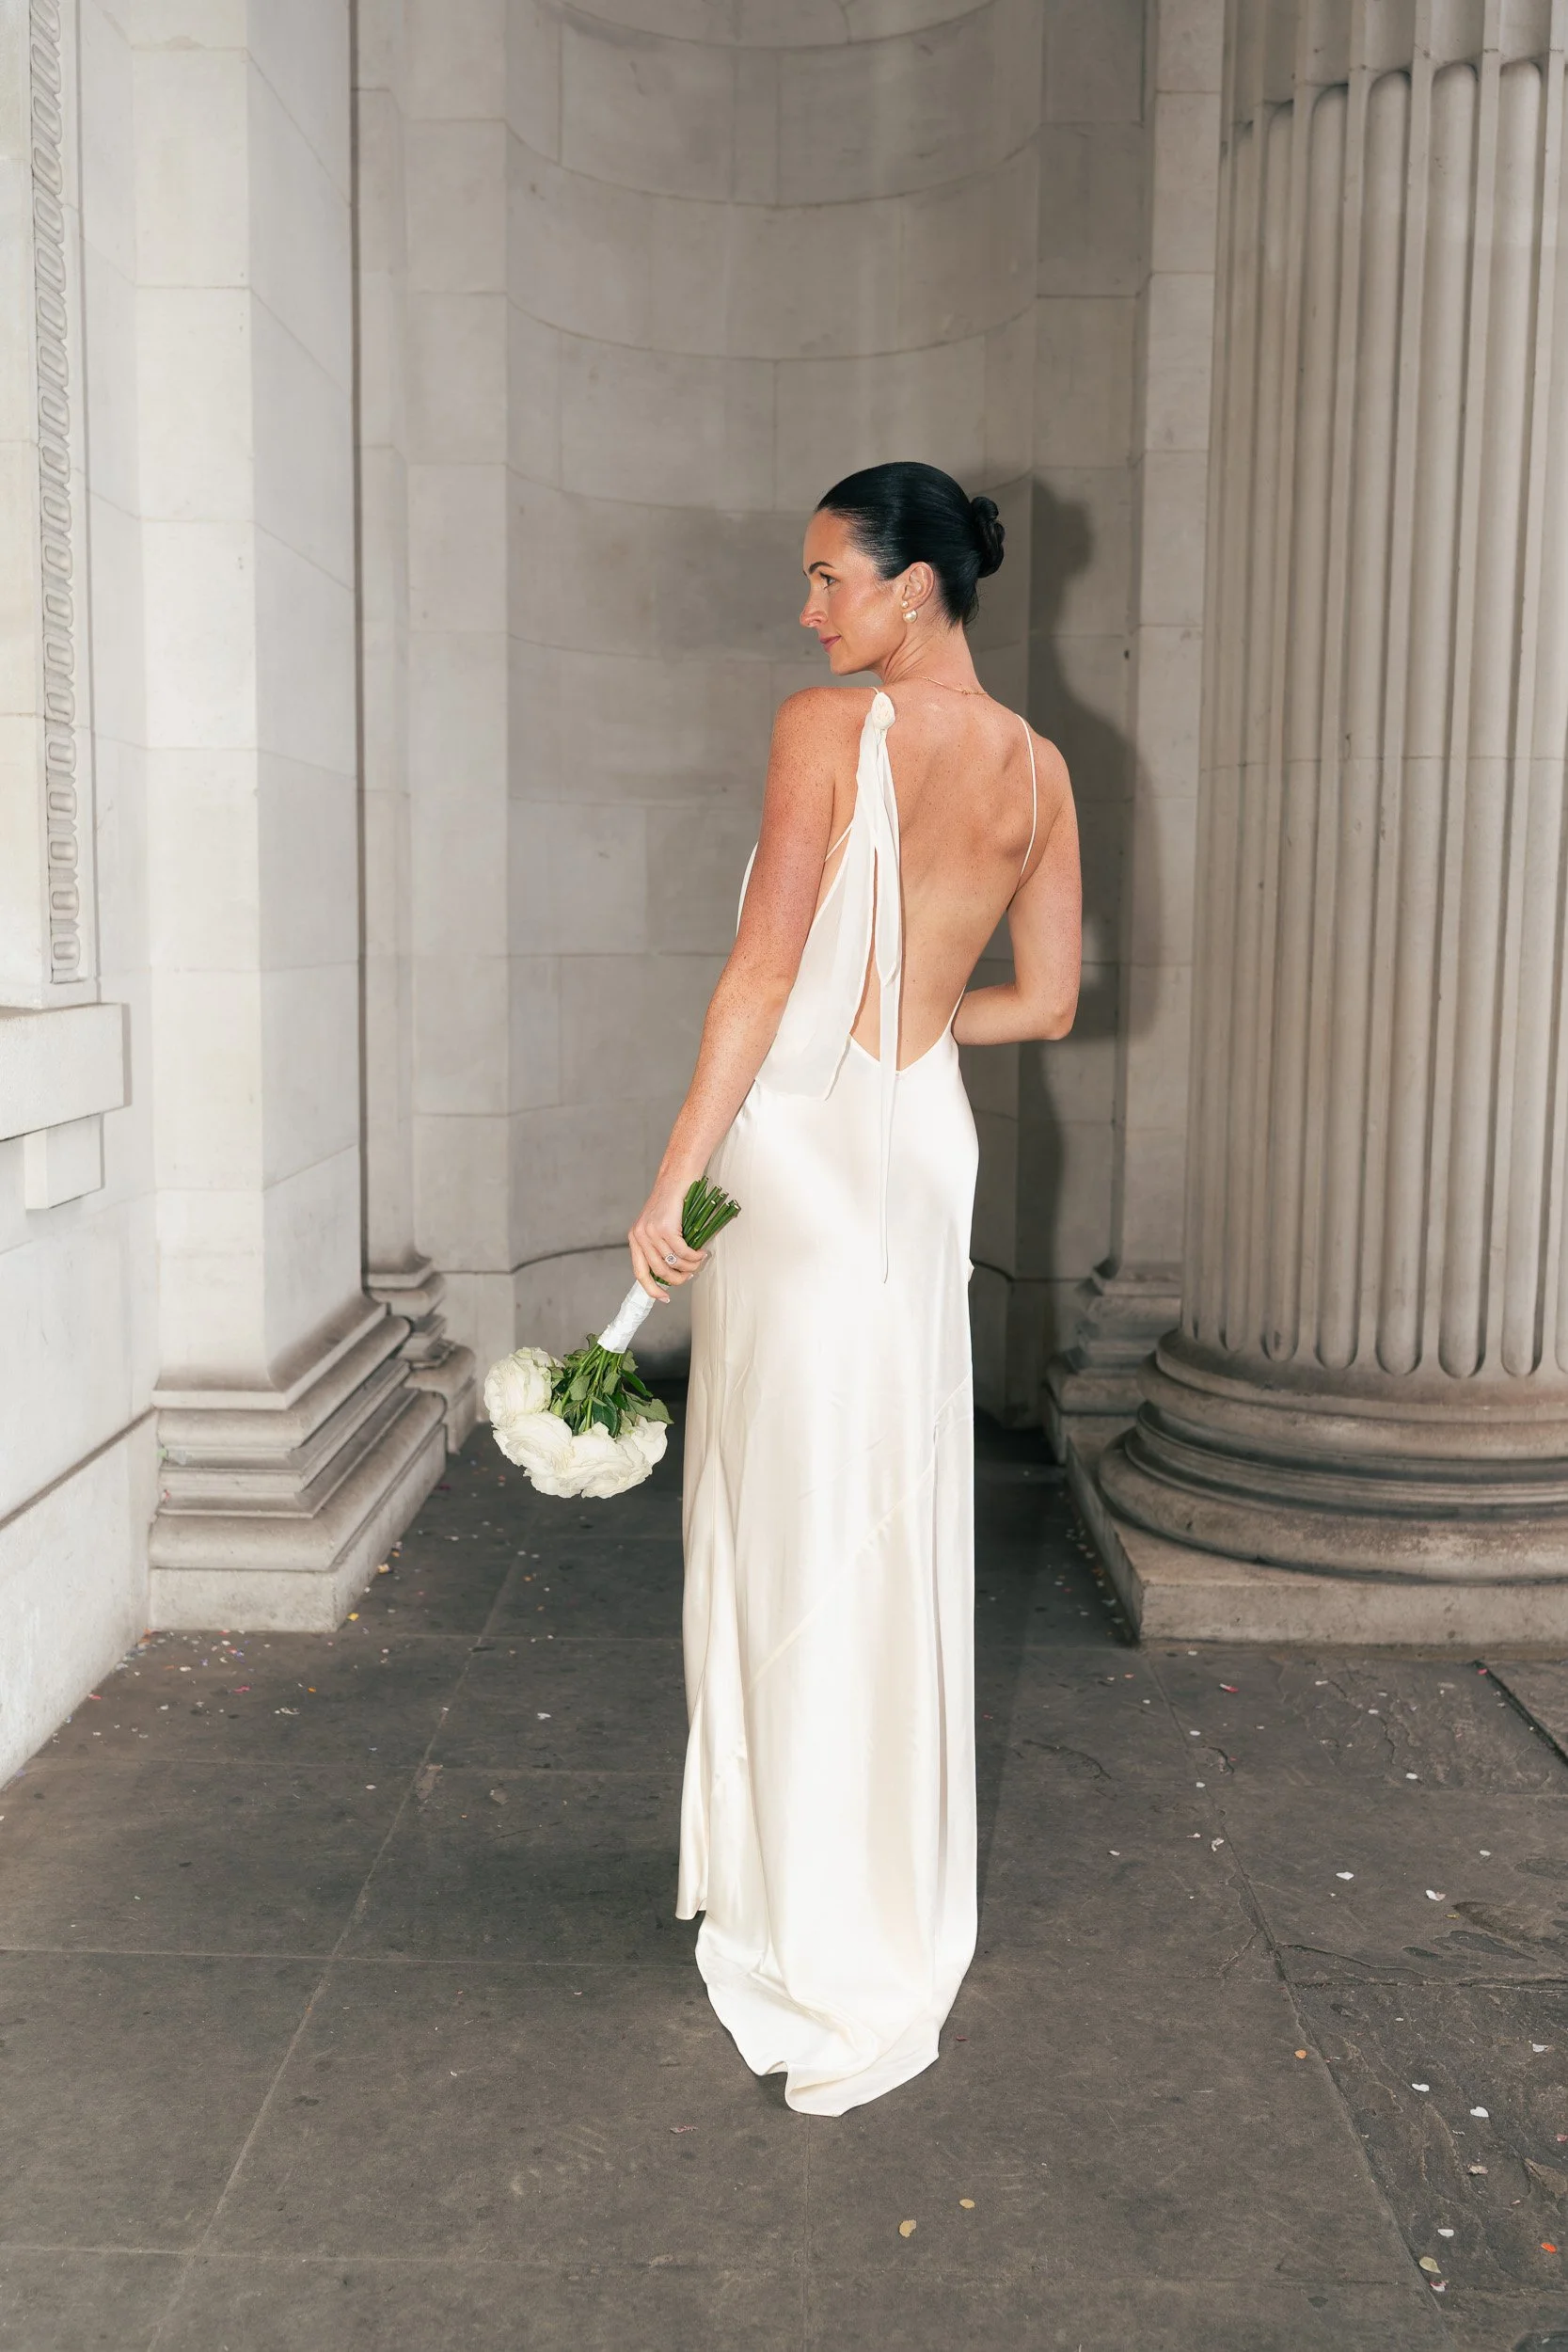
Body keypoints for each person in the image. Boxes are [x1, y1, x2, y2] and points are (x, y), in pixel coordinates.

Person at [626, 460, 1082, 2116]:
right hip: (916, 1145)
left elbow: (762, 964)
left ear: (913, 590)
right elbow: (1041, 1006)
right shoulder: (1036, 768)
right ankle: (874, 1877)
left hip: (802, 1153)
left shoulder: (829, 730)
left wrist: (682, 1158)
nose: (807, 609)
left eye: (830, 579)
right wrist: (909, 1034)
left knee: (784, 1507)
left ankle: (792, 1895)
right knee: (879, 1504)